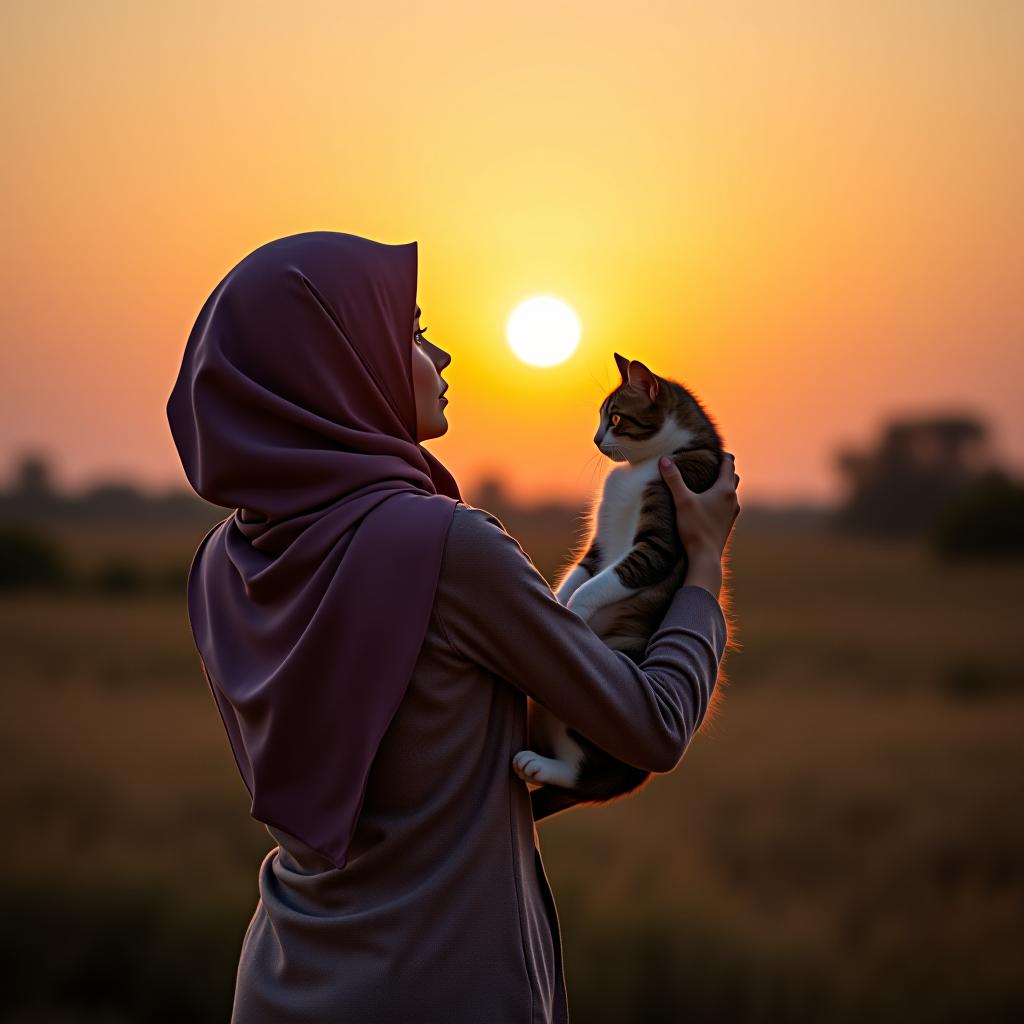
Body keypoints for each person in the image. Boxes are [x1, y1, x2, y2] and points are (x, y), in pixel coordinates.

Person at [166, 231, 740, 1024]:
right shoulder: (446, 548)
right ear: (338, 364)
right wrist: (704, 564)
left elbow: (404, 784)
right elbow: (653, 724)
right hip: (444, 984)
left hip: (280, 981)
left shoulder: (219, 565)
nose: (442, 356)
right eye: (409, 332)